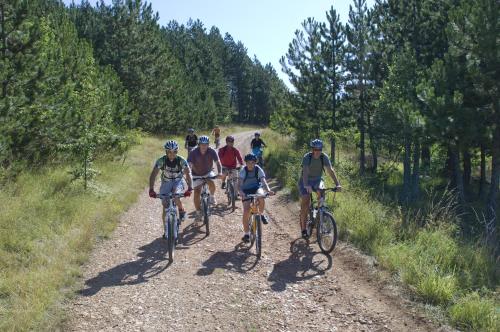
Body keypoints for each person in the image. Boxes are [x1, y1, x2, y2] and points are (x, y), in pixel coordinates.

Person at [149, 140, 193, 238]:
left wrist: (190, 188)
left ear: (177, 151)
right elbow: (153, 174)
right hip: (166, 182)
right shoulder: (161, 160)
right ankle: (166, 230)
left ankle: (181, 210)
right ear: (166, 152)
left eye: (174, 152)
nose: (172, 154)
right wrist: (151, 189)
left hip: (178, 181)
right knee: (165, 205)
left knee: (176, 197)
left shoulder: (181, 160)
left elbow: (188, 174)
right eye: (169, 152)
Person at [298, 139, 342, 239]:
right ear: (312, 149)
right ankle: (304, 229)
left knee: (321, 196)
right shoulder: (307, 157)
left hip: (318, 180)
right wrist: (306, 185)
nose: (318, 151)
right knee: (305, 202)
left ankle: (320, 216)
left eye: (320, 149)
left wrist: (337, 184)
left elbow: (330, 170)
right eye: (316, 149)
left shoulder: (324, 157)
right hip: (306, 181)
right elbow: (304, 172)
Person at [238, 153, 274, 243]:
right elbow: (239, 184)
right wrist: (241, 192)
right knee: (246, 211)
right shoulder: (243, 170)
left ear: (255, 162)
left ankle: (261, 214)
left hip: (256, 188)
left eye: (252, 162)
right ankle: (246, 234)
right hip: (246, 191)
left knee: (261, 196)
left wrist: (268, 190)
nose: (250, 164)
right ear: (246, 163)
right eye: (248, 162)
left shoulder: (258, 169)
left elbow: (263, 181)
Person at [188, 135, 222, 217]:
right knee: (196, 193)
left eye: (206, 144)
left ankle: (212, 196)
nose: (204, 146)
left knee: (211, 182)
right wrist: (188, 174)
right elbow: (189, 165)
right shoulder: (193, 152)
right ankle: (198, 212)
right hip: (196, 174)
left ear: (208, 144)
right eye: (202, 144)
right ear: (199, 144)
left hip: (208, 172)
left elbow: (218, 163)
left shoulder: (212, 151)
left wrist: (220, 172)